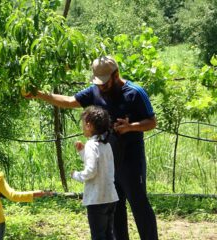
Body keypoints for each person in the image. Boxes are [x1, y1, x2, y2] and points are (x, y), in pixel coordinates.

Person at [26, 56, 158, 240]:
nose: (101, 87)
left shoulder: (135, 93)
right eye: (98, 82)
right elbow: (70, 101)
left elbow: (152, 122)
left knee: (139, 205)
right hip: (107, 163)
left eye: (104, 82)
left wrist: (130, 127)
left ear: (116, 74)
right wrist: (39, 94)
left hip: (131, 161)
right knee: (115, 208)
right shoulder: (95, 91)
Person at [71, 106, 119, 240]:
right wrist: (82, 152)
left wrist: (76, 175)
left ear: (88, 125)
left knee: (98, 236)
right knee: (109, 234)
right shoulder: (105, 144)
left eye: (83, 124)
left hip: (97, 199)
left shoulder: (92, 145)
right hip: (110, 197)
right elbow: (101, 165)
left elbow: (91, 171)